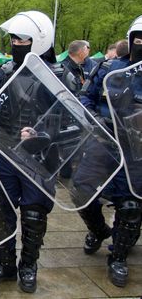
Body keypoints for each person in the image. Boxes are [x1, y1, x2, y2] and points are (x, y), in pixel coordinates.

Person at [0, 11, 57, 293]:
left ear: (38, 41)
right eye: (12, 38)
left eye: (21, 39)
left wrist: (41, 134)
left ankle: (28, 266)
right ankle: (6, 265)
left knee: (34, 214)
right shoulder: (6, 71)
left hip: (39, 159)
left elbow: (69, 120)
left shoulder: (56, 76)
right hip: (7, 153)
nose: (14, 43)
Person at [76, 15, 142, 287]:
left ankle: (118, 256)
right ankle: (98, 229)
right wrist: (96, 119)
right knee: (81, 189)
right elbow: (84, 98)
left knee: (130, 204)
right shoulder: (107, 68)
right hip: (103, 142)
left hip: (136, 150)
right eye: (138, 39)